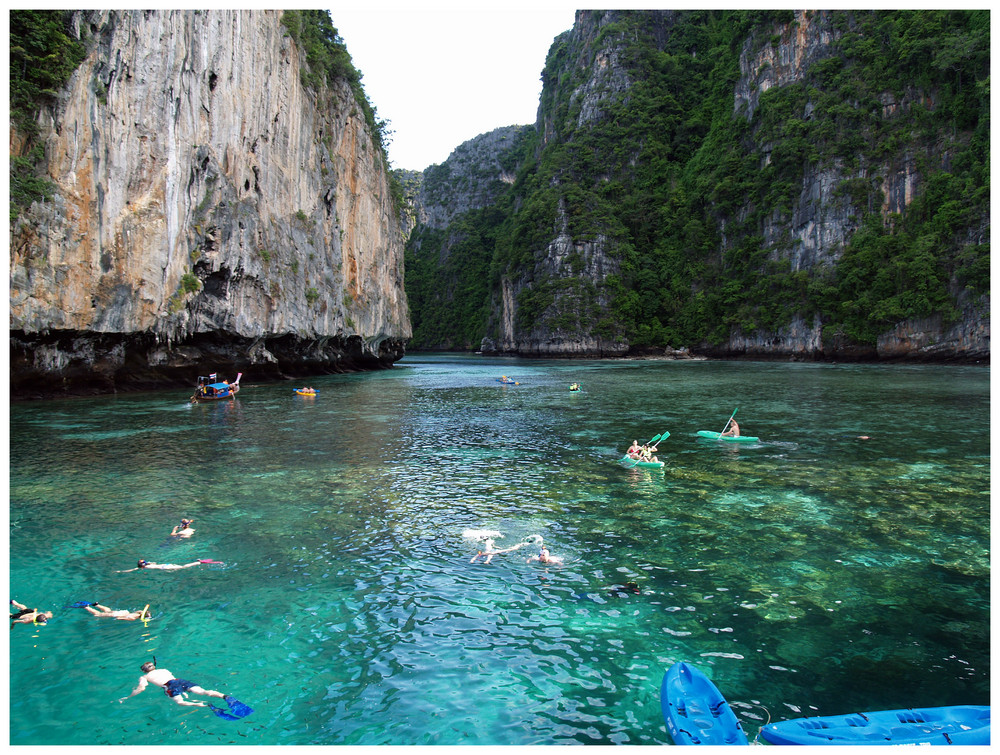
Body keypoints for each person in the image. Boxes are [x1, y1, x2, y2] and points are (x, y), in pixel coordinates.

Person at [119, 660, 227, 707]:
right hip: (179, 681)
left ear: (143, 671)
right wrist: (183, 691)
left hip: (169, 685)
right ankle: (223, 696)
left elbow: (142, 688)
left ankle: (201, 705)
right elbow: (174, 680)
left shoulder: (144, 676)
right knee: (203, 691)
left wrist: (128, 696)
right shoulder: (164, 670)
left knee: (180, 702)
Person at [84, 603, 150, 621]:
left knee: (108, 610)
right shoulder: (133, 618)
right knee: (98, 614)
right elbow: (119, 618)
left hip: (125, 612)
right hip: (117, 614)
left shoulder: (137, 612)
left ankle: (97, 605)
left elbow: (141, 611)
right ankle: (86, 606)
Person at [117, 559, 205, 573]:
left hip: (165, 567)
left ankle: (198, 562)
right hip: (166, 564)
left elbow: (132, 570)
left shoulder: (145, 567)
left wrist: (121, 571)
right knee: (181, 566)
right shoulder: (149, 564)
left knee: (183, 567)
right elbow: (154, 563)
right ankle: (197, 562)